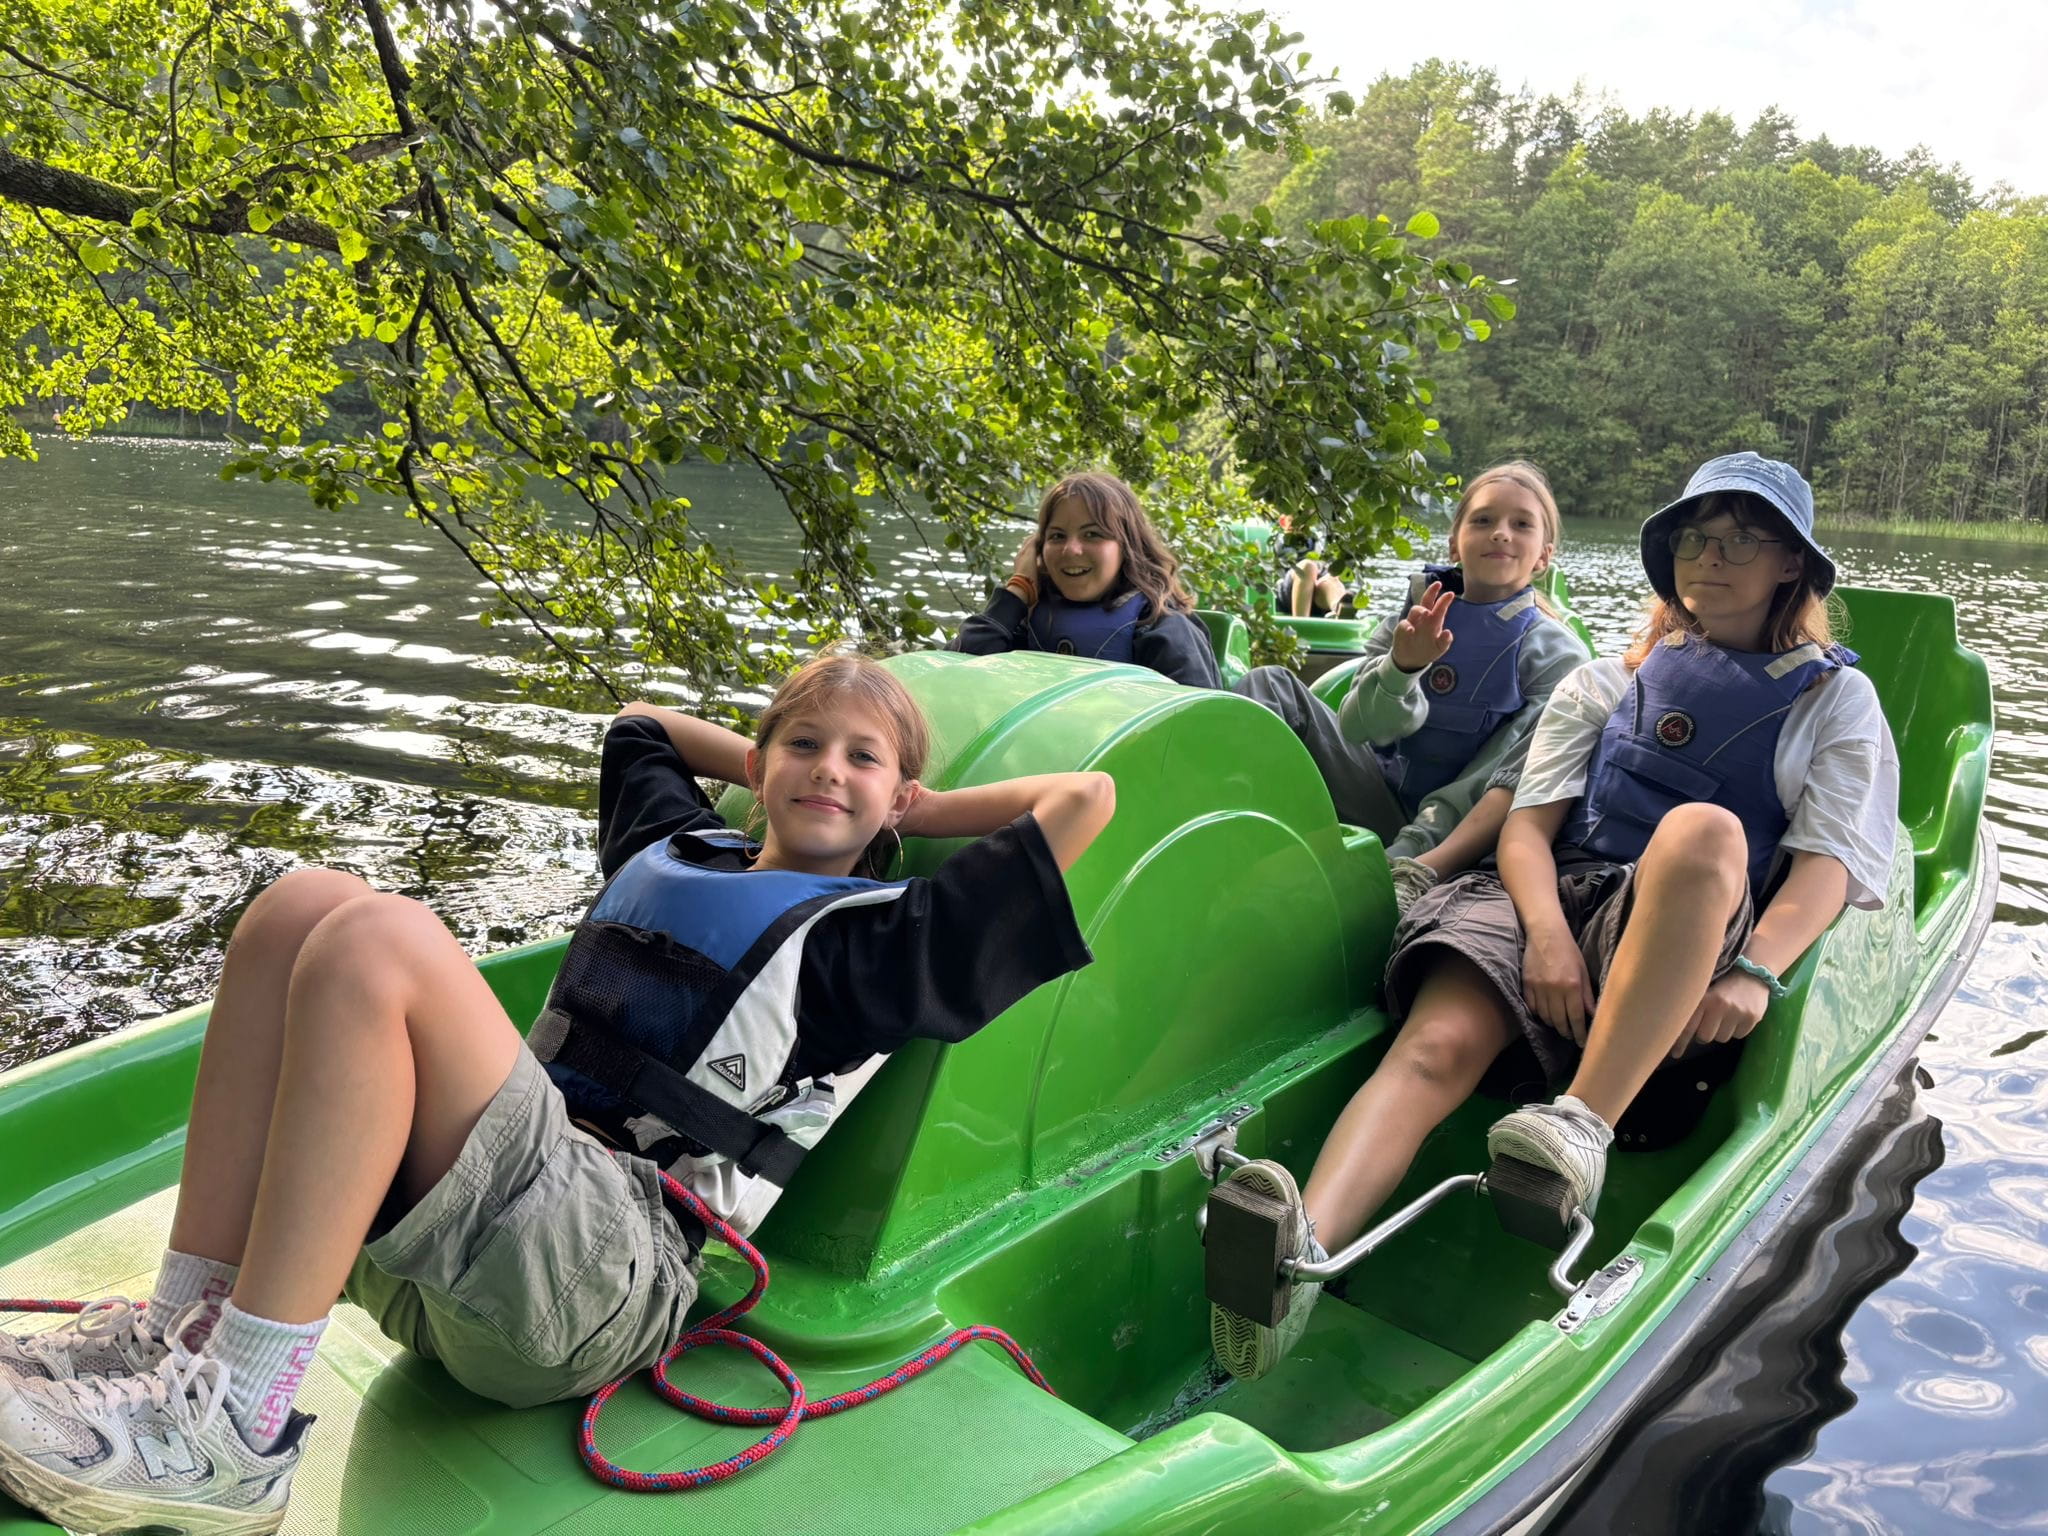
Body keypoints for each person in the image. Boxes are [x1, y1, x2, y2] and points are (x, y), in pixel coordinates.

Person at [0, 652, 1114, 1535]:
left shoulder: (876, 951)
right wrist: (809, 759)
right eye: (803, 746)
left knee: (379, 939)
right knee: (300, 904)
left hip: (594, 1290)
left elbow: (1084, 797)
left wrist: (912, 809)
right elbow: (640, 723)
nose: (828, 770)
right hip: (452, 1253)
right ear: (757, 762)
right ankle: (179, 1338)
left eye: (862, 761)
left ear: (899, 795)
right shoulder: (675, 848)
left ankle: (234, 1437)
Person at [1207, 452, 1899, 1382]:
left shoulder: (1834, 700)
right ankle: (1298, 1264)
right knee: (1435, 1043)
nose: (1712, 557)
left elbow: (1828, 867)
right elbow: (1527, 832)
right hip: (1552, 898)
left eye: (1744, 540)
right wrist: (1544, 938)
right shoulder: (1610, 681)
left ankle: (1578, 1129)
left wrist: (1756, 968)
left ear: (1790, 566)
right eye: (1697, 538)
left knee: (1702, 829)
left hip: (1685, 923)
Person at [1235, 463, 1589, 911]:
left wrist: (1411, 851)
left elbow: (1508, 777)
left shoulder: (1558, 654)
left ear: (1543, 556)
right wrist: (1403, 666)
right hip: (1378, 798)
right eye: (1483, 520)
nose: (1501, 533)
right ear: (1455, 542)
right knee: (1270, 683)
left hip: (1459, 839)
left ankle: (1389, 869)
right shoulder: (1406, 622)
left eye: (1521, 525)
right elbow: (1358, 729)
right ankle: (1227, 825)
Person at [950, 471, 1222, 688]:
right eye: (1057, 536)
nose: (1071, 550)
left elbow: (1204, 725)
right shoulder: (1029, 619)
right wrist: (1018, 588)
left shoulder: (1161, 625)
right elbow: (954, 679)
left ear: (1127, 546)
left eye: (1092, 534)